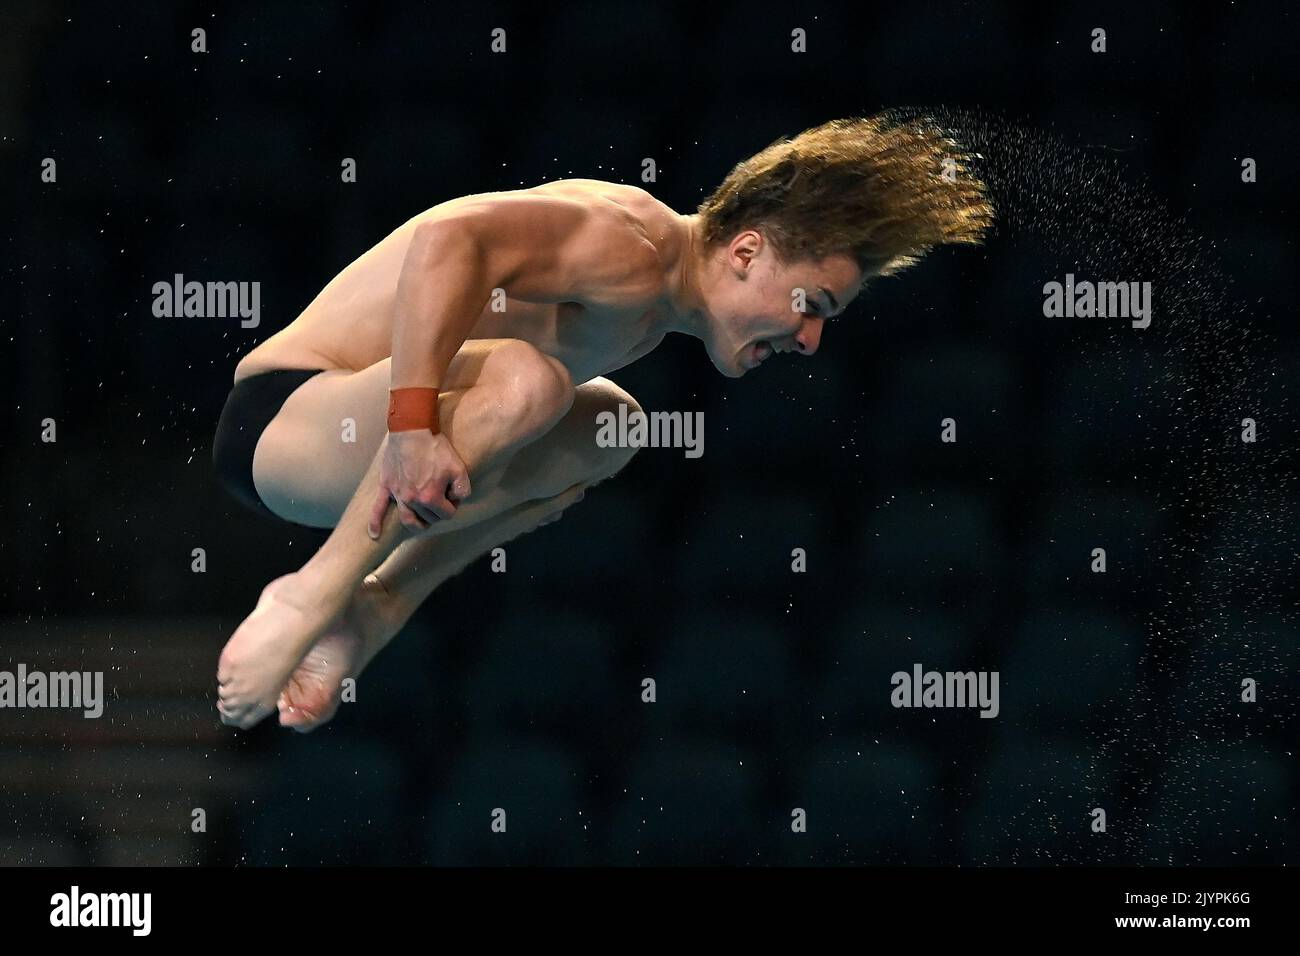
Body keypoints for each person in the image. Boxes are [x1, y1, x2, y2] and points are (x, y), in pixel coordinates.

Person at [211, 114, 993, 731]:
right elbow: (450, 240)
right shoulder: (632, 244)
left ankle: (377, 605)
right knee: (528, 379)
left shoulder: (654, 309)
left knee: (611, 425)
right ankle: (309, 594)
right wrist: (412, 430)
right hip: (286, 419)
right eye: (811, 307)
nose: (811, 341)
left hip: (343, 453)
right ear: (747, 251)